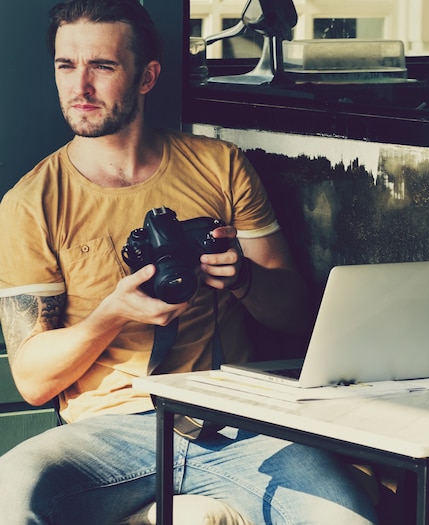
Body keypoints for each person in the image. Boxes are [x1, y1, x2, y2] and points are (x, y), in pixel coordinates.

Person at [0, 1, 378, 523]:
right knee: (11, 493)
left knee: (348, 515)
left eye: (102, 67)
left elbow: (298, 317)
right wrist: (113, 314)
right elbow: (34, 381)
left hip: (235, 419)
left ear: (147, 76)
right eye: (67, 66)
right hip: (110, 431)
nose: (79, 87)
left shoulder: (219, 166)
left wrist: (243, 279)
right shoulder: (32, 203)